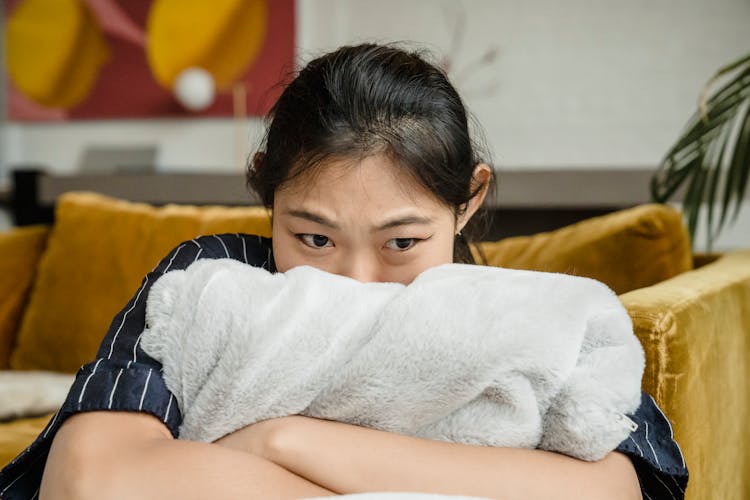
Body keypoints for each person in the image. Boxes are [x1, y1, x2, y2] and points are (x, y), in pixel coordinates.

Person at [0, 43, 687, 500]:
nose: (352, 281)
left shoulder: (523, 317)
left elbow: (612, 488)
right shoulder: (210, 284)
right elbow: (90, 478)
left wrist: (284, 441)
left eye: (401, 243)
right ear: (264, 192)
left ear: (468, 198)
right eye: (314, 237)